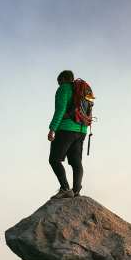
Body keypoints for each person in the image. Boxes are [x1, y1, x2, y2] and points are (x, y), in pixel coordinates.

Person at [47, 70, 89, 199]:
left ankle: (65, 188)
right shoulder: (81, 91)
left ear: (63, 79)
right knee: (76, 162)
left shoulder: (63, 89)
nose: (58, 84)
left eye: (59, 82)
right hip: (81, 130)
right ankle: (76, 191)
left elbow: (60, 110)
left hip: (66, 129)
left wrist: (52, 128)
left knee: (54, 159)